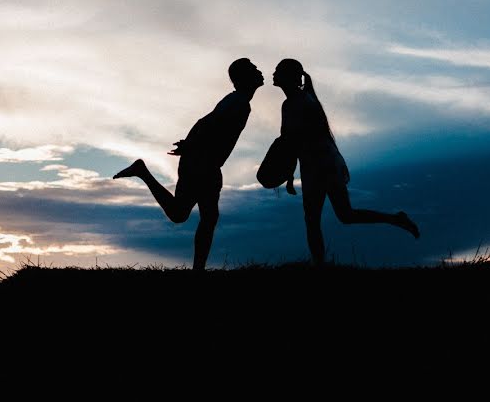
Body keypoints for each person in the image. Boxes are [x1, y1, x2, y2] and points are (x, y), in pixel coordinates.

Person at [113, 58, 264, 269]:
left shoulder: (238, 101)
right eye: (253, 69)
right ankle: (142, 172)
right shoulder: (238, 102)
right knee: (190, 215)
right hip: (200, 161)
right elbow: (208, 124)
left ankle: (198, 269)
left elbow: (206, 122)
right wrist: (190, 145)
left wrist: (190, 145)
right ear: (244, 77)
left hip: (204, 161)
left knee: (197, 216)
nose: (259, 71)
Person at [272, 58, 420, 265]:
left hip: (319, 165)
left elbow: (291, 141)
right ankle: (396, 219)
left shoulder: (294, 103)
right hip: (324, 163)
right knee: (344, 215)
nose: (273, 73)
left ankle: (319, 265)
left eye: (278, 70)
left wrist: (288, 174)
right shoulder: (304, 100)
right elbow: (295, 141)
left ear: (289, 76)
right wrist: (290, 175)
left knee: (316, 220)